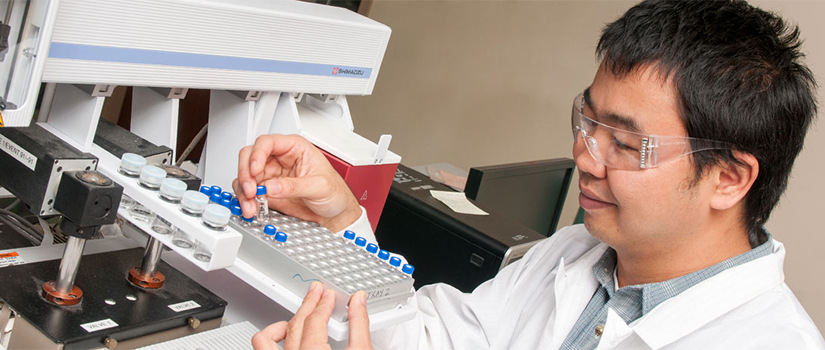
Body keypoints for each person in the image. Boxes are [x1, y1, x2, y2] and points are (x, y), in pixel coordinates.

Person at [235, 0, 825, 349]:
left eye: (624, 143)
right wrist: (341, 220)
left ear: (729, 178)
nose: (587, 157)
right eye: (587, 120)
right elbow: (440, 338)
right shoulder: (577, 252)